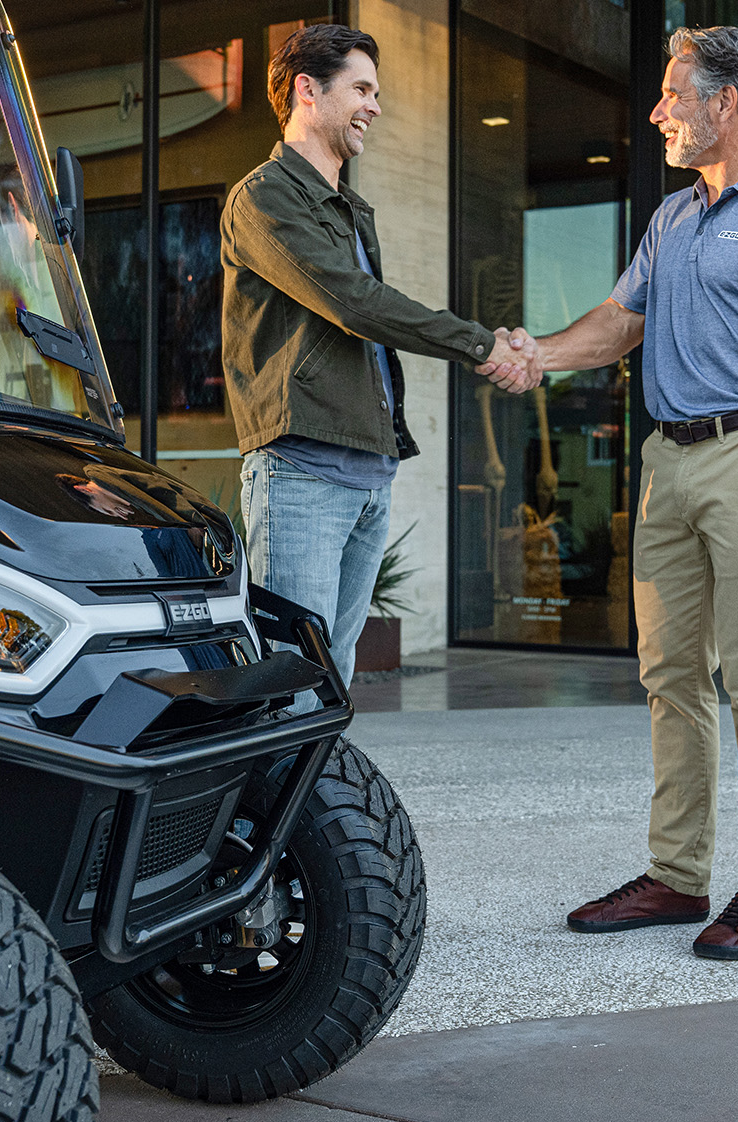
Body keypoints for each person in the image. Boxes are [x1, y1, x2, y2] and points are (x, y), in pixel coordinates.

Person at [489, 25, 738, 960]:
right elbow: (619, 326)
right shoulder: (674, 218)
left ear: (724, 102)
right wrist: (537, 355)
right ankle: (676, 875)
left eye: (671, 95)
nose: (658, 111)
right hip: (671, 464)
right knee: (669, 679)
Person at [222, 24, 536, 692]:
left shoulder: (350, 209)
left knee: (332, 681)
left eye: (376, 90)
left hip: (367, 472)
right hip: (302, 472)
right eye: (361, 88)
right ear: (307, 90)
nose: (376, 105)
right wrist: (479, 344)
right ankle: (272, 801)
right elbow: (356, 303)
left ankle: (328, 800)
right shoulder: (265, 196)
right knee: (288, 682)